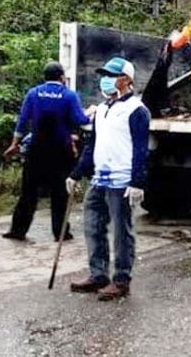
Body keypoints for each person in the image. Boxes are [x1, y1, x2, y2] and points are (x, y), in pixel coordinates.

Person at [66, 57, 150, 301]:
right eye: (105, 74)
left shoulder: (137, 110)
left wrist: (137, 181)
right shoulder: (101, 110)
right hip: (99, 179)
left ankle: (121, 279)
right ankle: (98, 274)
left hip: (121, 182)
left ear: (126, 80)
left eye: (112, 75)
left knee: (122, 233)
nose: (106, 79)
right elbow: (92, 146)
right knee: (92, 227)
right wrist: (76, 173)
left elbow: (141, 149)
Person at [2, 62, 92, 241]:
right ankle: (60, 233)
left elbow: (22, 122)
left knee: (28, 192)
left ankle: (18, 231)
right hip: (61, 151)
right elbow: (79, 120)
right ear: (62, 77)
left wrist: (15, 144)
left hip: (36, 149)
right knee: (60, 193)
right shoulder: (69, 95)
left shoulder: (33, 93)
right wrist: (90, 113)